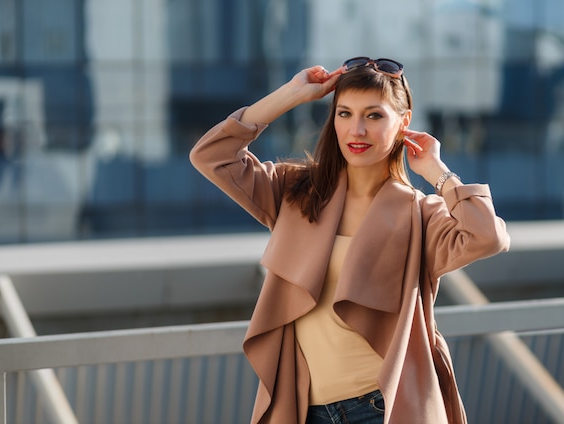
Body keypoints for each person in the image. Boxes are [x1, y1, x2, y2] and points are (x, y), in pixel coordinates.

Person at [190, 57, 510, 424]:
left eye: (374, 116)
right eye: (345, 114)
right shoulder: (295, 192)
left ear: (403, 123)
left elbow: (488, 236)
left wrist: (438, 172)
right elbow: (211, 155)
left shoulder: (421, 214)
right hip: (301, 410)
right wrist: (292, 95)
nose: (356, 130)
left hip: (380, 410)